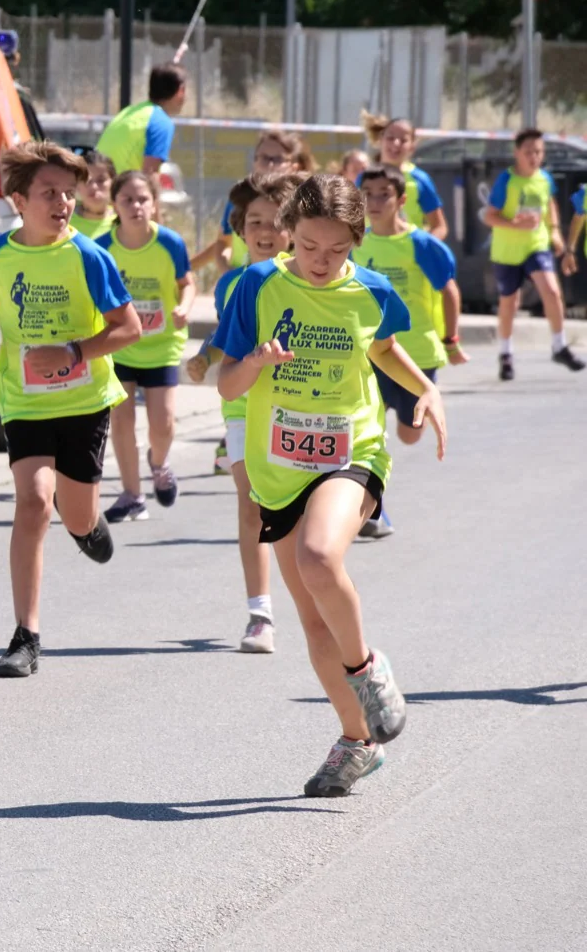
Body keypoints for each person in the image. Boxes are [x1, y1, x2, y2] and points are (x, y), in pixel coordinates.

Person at [213, 174, 447, 797]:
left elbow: (386, 348)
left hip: (352, 451)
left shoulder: (370, 291)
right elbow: (226, 385)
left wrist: (428, 388)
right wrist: (257, 363)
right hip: (278, 466)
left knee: (321, 555)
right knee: (315, 627)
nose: (321, 261)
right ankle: (356, 742)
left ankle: (369, 672)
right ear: (289, 234)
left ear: (356, 243)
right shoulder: (257, 286)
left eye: (337, 250)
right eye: (310, 246)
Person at [0, 142, 142, 678]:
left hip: (84, 400)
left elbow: (128, 328)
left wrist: (73, 353)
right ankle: (26, 636)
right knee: (35, 502)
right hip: (21, 398)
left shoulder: (89, 256)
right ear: (19, 199)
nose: (64, 202)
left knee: (77, 511)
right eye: (50, 193)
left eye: (69, 192)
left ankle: (87, 526)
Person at [187, 171, 303, 654]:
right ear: (240, 227)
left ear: (293, 228)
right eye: (254, 220)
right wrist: (204, 357)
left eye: (275, 221)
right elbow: (226, 342)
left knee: (296, 510)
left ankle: (312, 593)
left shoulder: (308, 278)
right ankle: (260, 613)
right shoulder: (232, 283)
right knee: (250, 498)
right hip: (242, 403)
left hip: (298, 404)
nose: (264, 229)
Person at [356, 164, 465, 538]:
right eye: (367, 194)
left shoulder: (422, 245)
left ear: (401, 200)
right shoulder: (356, 241)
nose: (374, 201)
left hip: (415, 353)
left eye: (383, 194)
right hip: (370, 352)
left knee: (409, 434)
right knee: (369, 430)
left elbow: (449, 291)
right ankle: (373, 510)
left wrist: (451, 340)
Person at [97, 171, 195, 523]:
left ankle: (159, 462)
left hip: (161, 345)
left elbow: (187, 282)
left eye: (143, 199)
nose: (136, 206)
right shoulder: (103, 247)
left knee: (163, 422)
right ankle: (132, 494)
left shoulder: (169, 242)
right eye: (128, 200)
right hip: (119, 345)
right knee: (121, 421)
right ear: (115, 206)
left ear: (154, 204)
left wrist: (184, 306)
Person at [483, 127, 584, 379]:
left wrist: (555, 232)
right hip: (507, 251)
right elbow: (489, 215)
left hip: (536, 246)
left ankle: (559, 345)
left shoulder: (544, 179)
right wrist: (514, 223)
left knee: (551, 289)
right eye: (529, 151)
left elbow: (550, 204)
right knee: (510, 302)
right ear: (517, 152)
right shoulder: (507, 181)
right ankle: (505, 353)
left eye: (538, 151)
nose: (534, 156)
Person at [190, 129, 313, 275]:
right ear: (254, 161)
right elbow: (223, 242)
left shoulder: (305, 204)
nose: (270, 164)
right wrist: (229, 273)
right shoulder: (242, 199)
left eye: (278, 159)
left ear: (295, 165)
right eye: (264, 158)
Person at [360, 113, 445, 239]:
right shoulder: (364, 177)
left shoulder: (419, 180)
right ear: (380, 139)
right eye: (390, 138)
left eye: (403, 140)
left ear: (412, 146)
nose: (396, 143)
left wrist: (423, 250)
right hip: (369, 253)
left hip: (405, 255)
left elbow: (439, 226)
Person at [95, 64, 188, 178]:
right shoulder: (160, 122)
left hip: (93, 188)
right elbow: (149, 174)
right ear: (181, 91)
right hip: (115, 192)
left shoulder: (129, 111)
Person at [69, 148, 116, 240]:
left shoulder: (124, 220)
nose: (94, 187)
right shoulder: (65, 221)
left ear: (113, 182)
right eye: (87, 181)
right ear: (77, 185)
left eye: (101, 180)